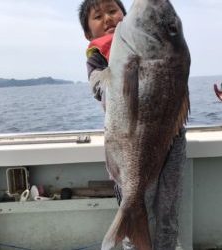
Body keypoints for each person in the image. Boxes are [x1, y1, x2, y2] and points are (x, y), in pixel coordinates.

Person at [78, 1, 187, 250]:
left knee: (168, 213)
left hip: (172, 141)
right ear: (88, 34)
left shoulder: (155, 46)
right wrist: (108, 80)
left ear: (126, 18)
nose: (107, 18)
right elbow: (98, 87)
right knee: (135, 206)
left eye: (113, 11)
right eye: (98, 16)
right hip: (131, 149)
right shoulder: (98, 58)